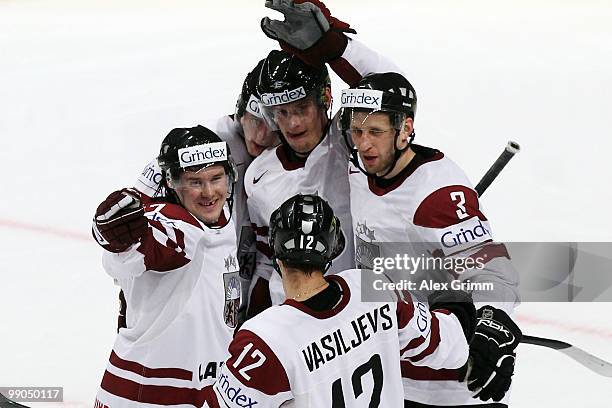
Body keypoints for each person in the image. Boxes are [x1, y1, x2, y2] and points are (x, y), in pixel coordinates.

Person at [338, 73, 522, 407]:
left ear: (405, 130)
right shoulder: (360, 166)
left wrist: (493, 323)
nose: (363, 144)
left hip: (442, 385)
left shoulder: (435, 194)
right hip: (387, 369)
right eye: (357, 131)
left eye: (376, 132)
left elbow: (491, 270)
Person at [211, 194, 476, 407]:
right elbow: (452, 349)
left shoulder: (263, 341)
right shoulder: (373, 288)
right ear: (333, 251)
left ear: (277, 255)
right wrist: (450, 296)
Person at [245, 0, 410, 312]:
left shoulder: (351, 140)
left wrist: (334, 48)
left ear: (325, 99)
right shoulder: (258, 176)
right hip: (298, 327)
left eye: (302, 108)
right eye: (282, 112)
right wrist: (255, 319)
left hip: (361, 314)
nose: (292, 123)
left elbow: (393, 89)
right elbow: (267, 260)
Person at [112, 59, 280, 332]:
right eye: (255, 120)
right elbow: (132, 225)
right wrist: (132, 299)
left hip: (252, 293)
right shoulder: (203, 147)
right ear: (240, 110)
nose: (262, 134)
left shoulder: (306, 156)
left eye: (273, 123)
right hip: (199, 306)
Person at [92, 126, 240, 407]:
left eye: (216, 178)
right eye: (195, 182)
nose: (209, 192)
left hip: (203, 390)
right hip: (145, 395)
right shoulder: (174, 223)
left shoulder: (227, 217)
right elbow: (146, 244)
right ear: (171, 183)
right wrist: (115, 237)